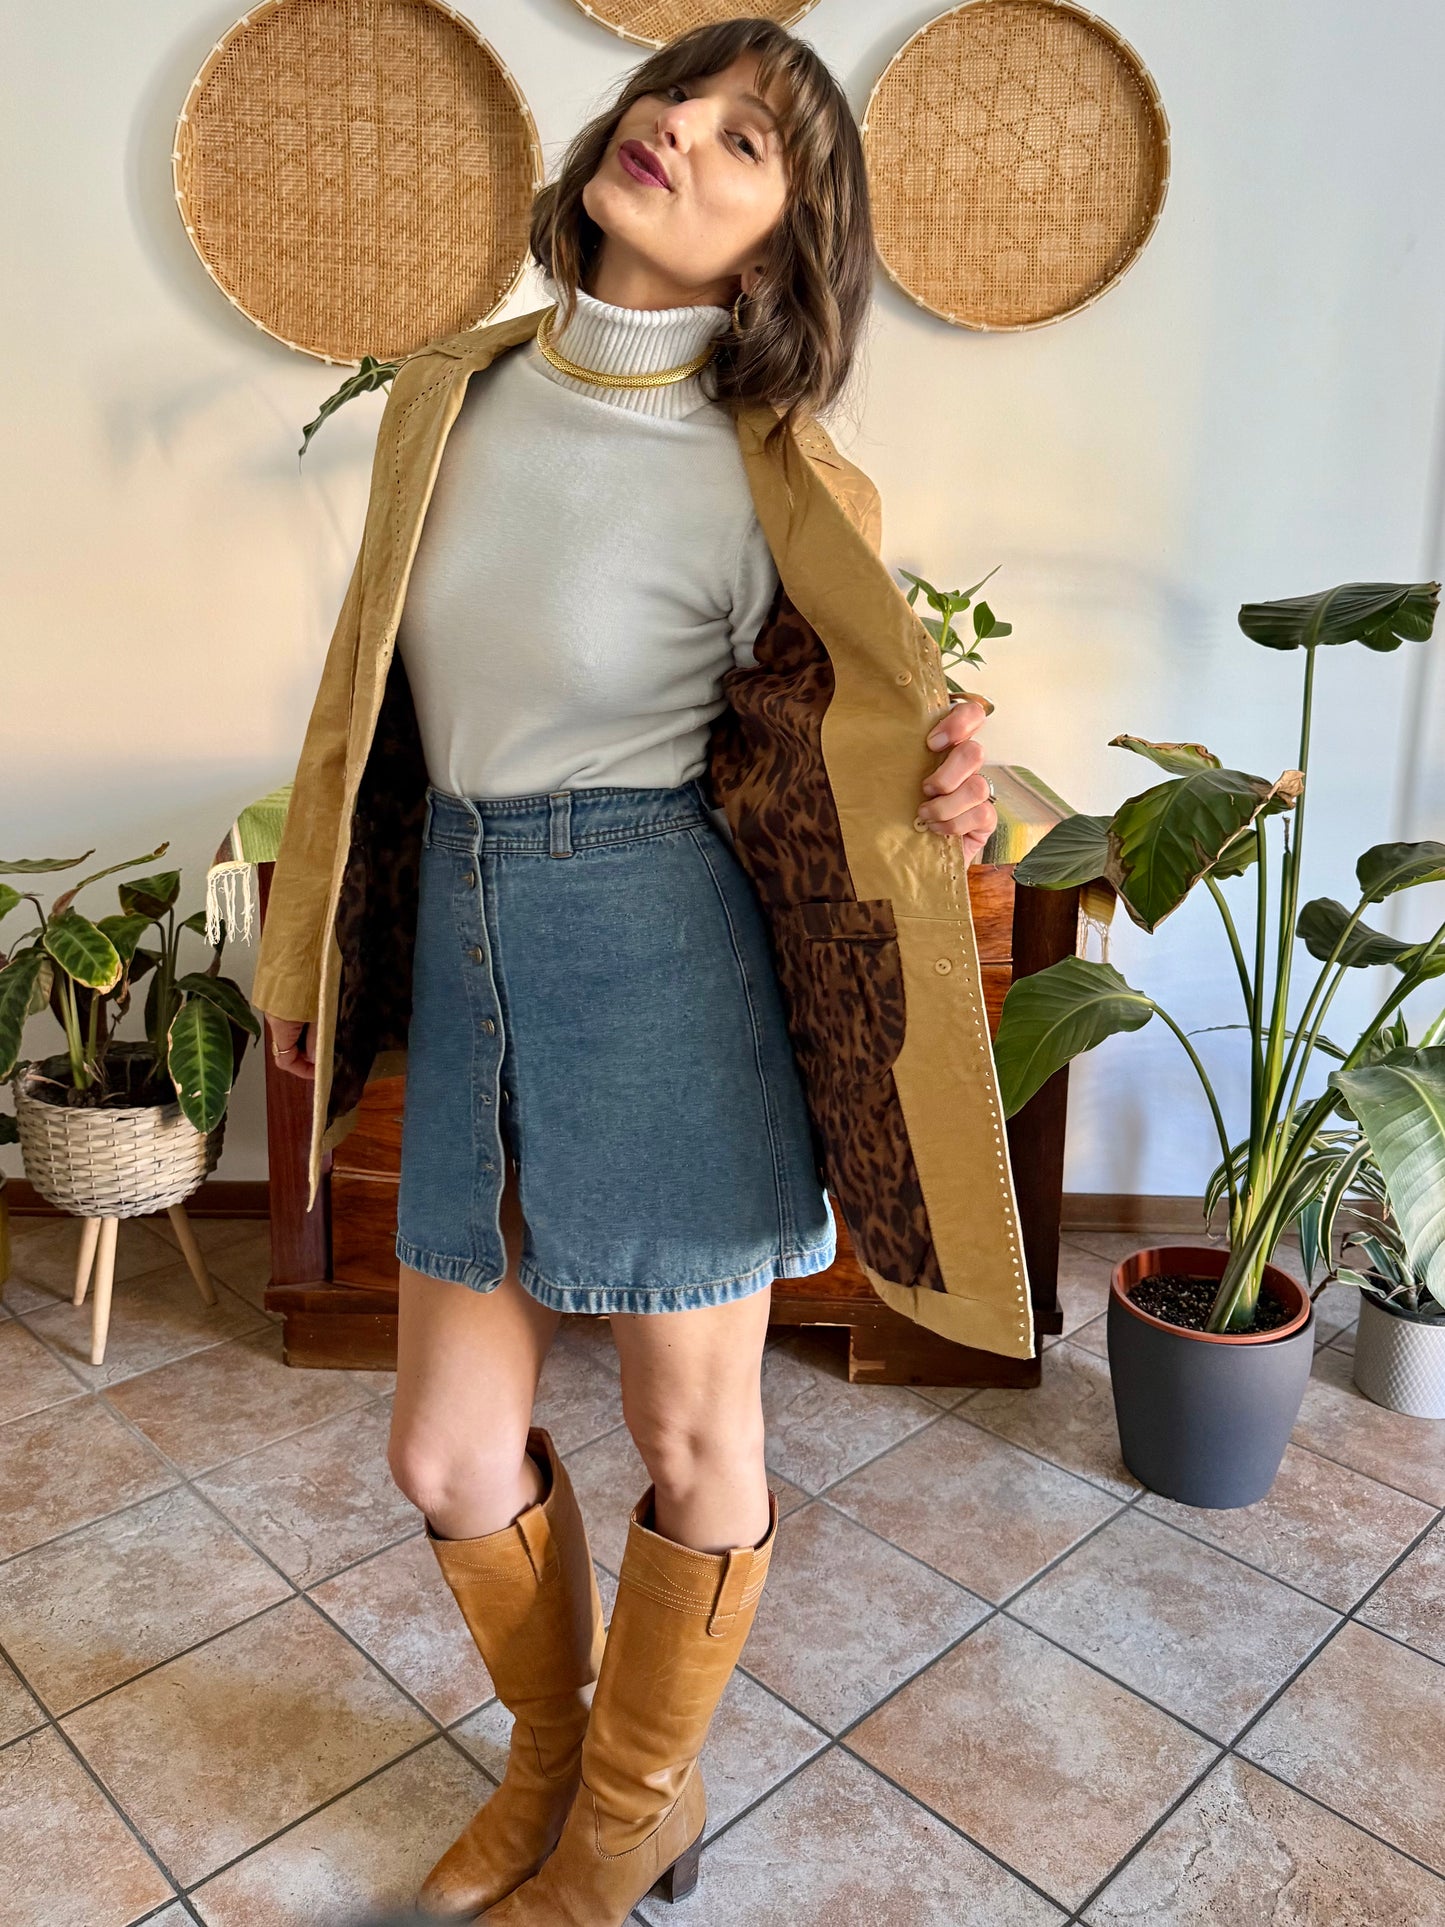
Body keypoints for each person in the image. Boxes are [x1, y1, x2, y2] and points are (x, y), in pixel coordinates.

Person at [257, 20, 996, 1924]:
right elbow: (365, 711)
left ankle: (626, 1822)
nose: (680, 126)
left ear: (772, 250)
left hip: (657, 945)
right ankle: (553, 1761)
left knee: (690, 1434)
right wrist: (304, 939)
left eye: (746, 138)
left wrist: (949, 781)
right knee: (441, 1448)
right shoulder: (454, 389)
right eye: (681, 93)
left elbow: (849, 743)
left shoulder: (781, 481)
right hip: (475, 930)